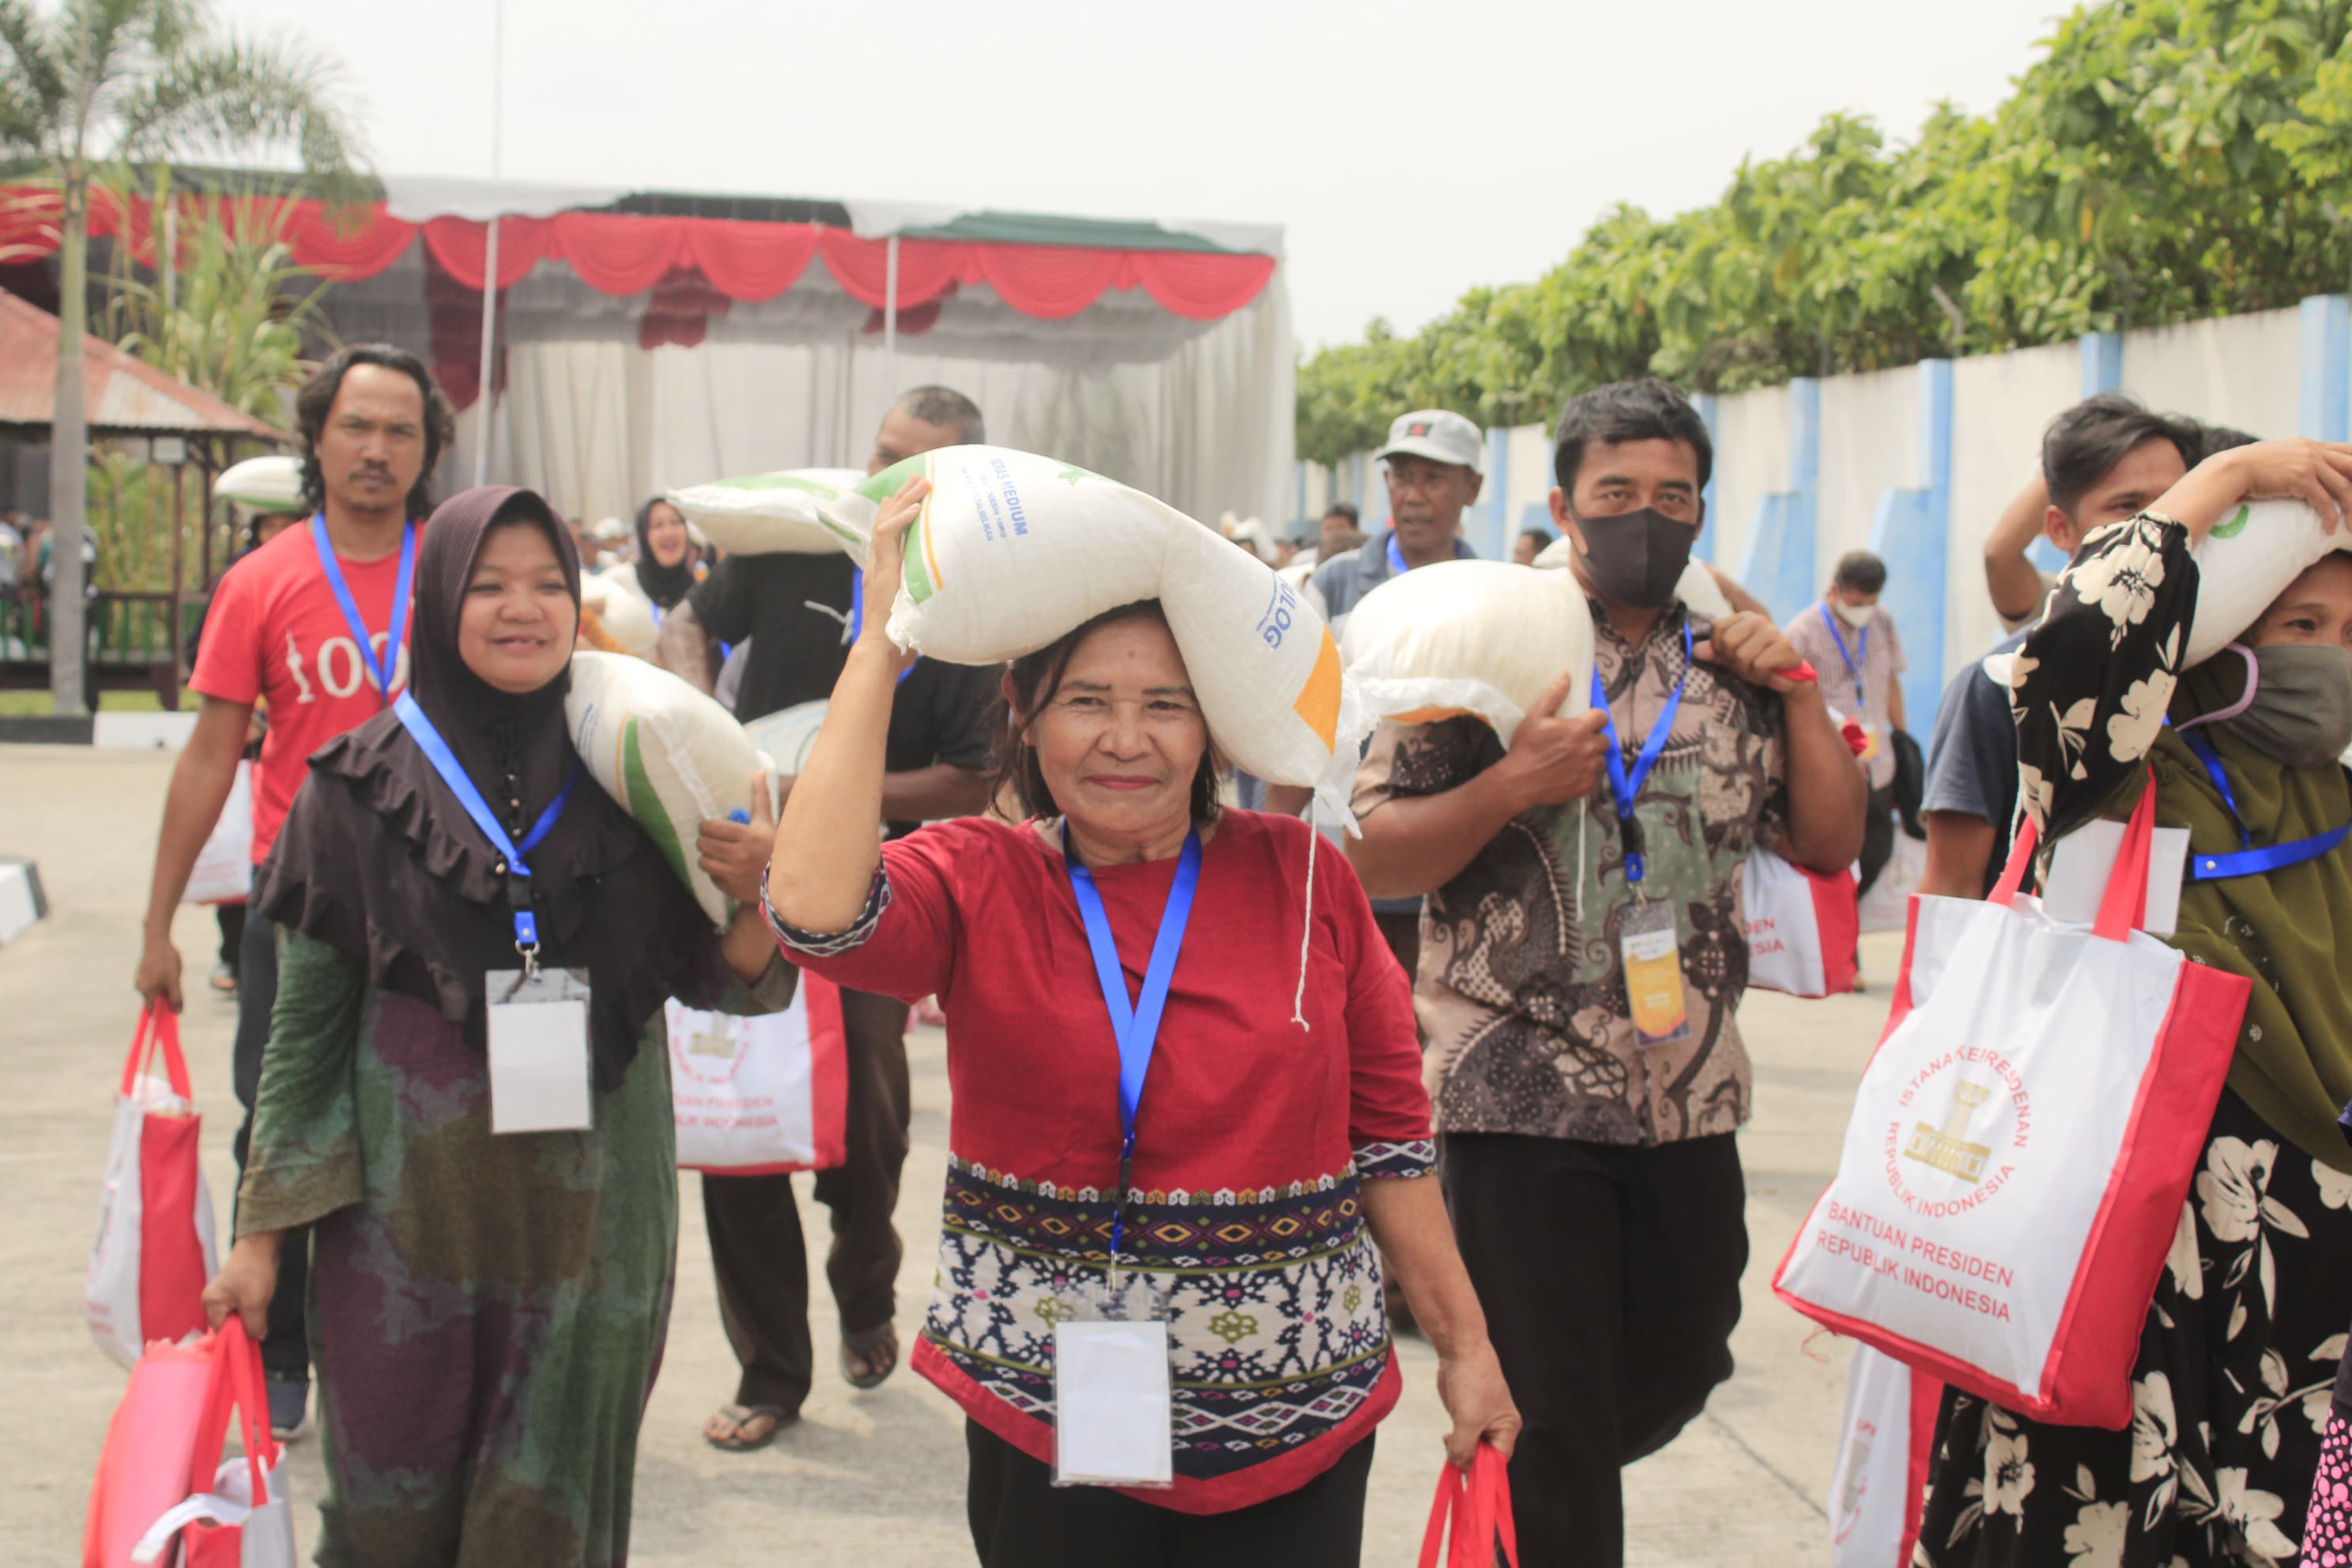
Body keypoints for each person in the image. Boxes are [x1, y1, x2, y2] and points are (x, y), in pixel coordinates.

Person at [759, 475, 1519, 1562]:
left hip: (1294, 1416)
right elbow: (815, 912)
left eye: (1165, 704)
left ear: (1216, 725)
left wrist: (1465, 1346)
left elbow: (1392, 1141)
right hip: (1047, 1405)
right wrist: (880, 646)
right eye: (1087, 703)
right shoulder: (980, 876)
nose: (1126, 739)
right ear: (1024, 716)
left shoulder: (1306, 878)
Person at [199, 485, 791, 1566]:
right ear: (436, 601)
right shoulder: (355, 790)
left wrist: (761, 891)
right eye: (489, 585)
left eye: (549, 585)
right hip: (402, 1236)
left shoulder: (635, 771)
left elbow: (733, 984)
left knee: (552, 1529)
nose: (524, 609)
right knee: (385, 1519)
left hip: (596, 1237)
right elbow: (302, 1042)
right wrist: (258, 1243)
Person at [1343, 378, 1867, 1567]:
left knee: (1687, 1357)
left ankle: (1541, 1463)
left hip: (1688, 1088)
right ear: (1565, 505)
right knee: (1558, 1417)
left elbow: (1831, 843)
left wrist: (1796, 688)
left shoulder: (1732, 656)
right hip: (1512, 1085)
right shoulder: (1488, 645)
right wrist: (1509, 785)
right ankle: (1542, 1484)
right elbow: (1369, 844)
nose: (1646, 516)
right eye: (1616, 493)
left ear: (1699, 508)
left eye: (1672, 496)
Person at [1914, 437, 2352, 1567]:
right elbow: (2075, 645)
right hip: (2128, 1215)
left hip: (2306, 1227)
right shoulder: (2117, 772)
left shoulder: (2332, 795)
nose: (2331, 662)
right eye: (2302, 629)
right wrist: (2223, 486)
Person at [665, 386, 1000, 1453]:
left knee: (868, 1134)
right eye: (883, 456)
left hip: (877, 911)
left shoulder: (971, 611)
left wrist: (834, 795)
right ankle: (771, 1368)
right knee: (742, 1126)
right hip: (747, 879)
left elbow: (969, 780)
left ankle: (865, 1287)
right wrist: (699, 717)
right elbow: (684, 624)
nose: (887, 483)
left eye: (918, 470)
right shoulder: (790, 551)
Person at [134, 345, 454, 1438]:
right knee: (282, 1129)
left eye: (399, 431)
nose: (376, 450)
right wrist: (160, 924)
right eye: (356, 426)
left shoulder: (457, 567)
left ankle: (406, 1354)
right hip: (299, 906)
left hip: (442, 909)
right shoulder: (264, 579)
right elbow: (208, 757)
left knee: (428, 1131)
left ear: (427, 450)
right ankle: (281, 1356)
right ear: (317, 439)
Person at [1920, 398, 2196, 899]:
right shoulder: (1996, 687)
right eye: (2127, 508)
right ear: (2060, 529)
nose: (2158, 532)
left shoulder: (2218, 676)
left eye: (2178, 503)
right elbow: (1951, 888)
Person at [1785, 550, 1907, 909]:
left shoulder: (1881, 621)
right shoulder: (1802, 633)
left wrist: (1901, 736)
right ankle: (1841, 937)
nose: (1863, 610)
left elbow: (1892, 681)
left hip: (1878, 762)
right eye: (1856, 602)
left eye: (1871, 602)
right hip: (1831, 767)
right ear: (1835, 590)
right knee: (1834, 858)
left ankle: (1849, 914)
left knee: (1877, 849)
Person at [603, 496, 703, 616]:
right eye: (657, 525)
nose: (668, 532)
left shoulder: (700, 593)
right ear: (644, 535)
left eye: (676, 522)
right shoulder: (618, 583)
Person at [1319, 499, 1366, 565]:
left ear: (1356, 530)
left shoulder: (1366, 559)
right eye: (1328, 528)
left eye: (1340, 528)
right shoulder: (1307, 560)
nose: (1334, 534)